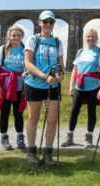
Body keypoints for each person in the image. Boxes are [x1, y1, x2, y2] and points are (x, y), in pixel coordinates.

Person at [24, 10, 64, 167]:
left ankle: (48, 153)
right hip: (35, 83)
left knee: (52, 119)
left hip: (53, 85)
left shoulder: (58, 42)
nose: (48, 24)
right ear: (39, 23)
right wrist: (44, 76)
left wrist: (60, 74)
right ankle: (32, 150)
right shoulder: (33, 40)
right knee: (33, 118)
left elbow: (61, 63)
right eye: (45, 21)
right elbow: (28, 63)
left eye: (51, 22)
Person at [61, 29, 100, 149]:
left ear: (96, 38)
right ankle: (69, 137)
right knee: (74, 111)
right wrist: (71, 85)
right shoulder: (80, 51)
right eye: (88, 36)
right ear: (85, 38)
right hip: (79, 86)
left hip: (93, 87)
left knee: (92, 112)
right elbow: (75, 70)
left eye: (92, 37)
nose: (90, 38)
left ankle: (89, 138)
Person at [0, 25, 27, 150]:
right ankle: (4, 138)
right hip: (5, 86)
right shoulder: (2, 50)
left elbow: (29, 67)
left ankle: (20, 137)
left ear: (22, 37)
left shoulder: (25, 50)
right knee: (5, 112)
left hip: (20, 86)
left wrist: (26, 74)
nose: (16, 37)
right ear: (9, 36)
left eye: (19, 35)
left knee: (19, 113)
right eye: (14, 35)